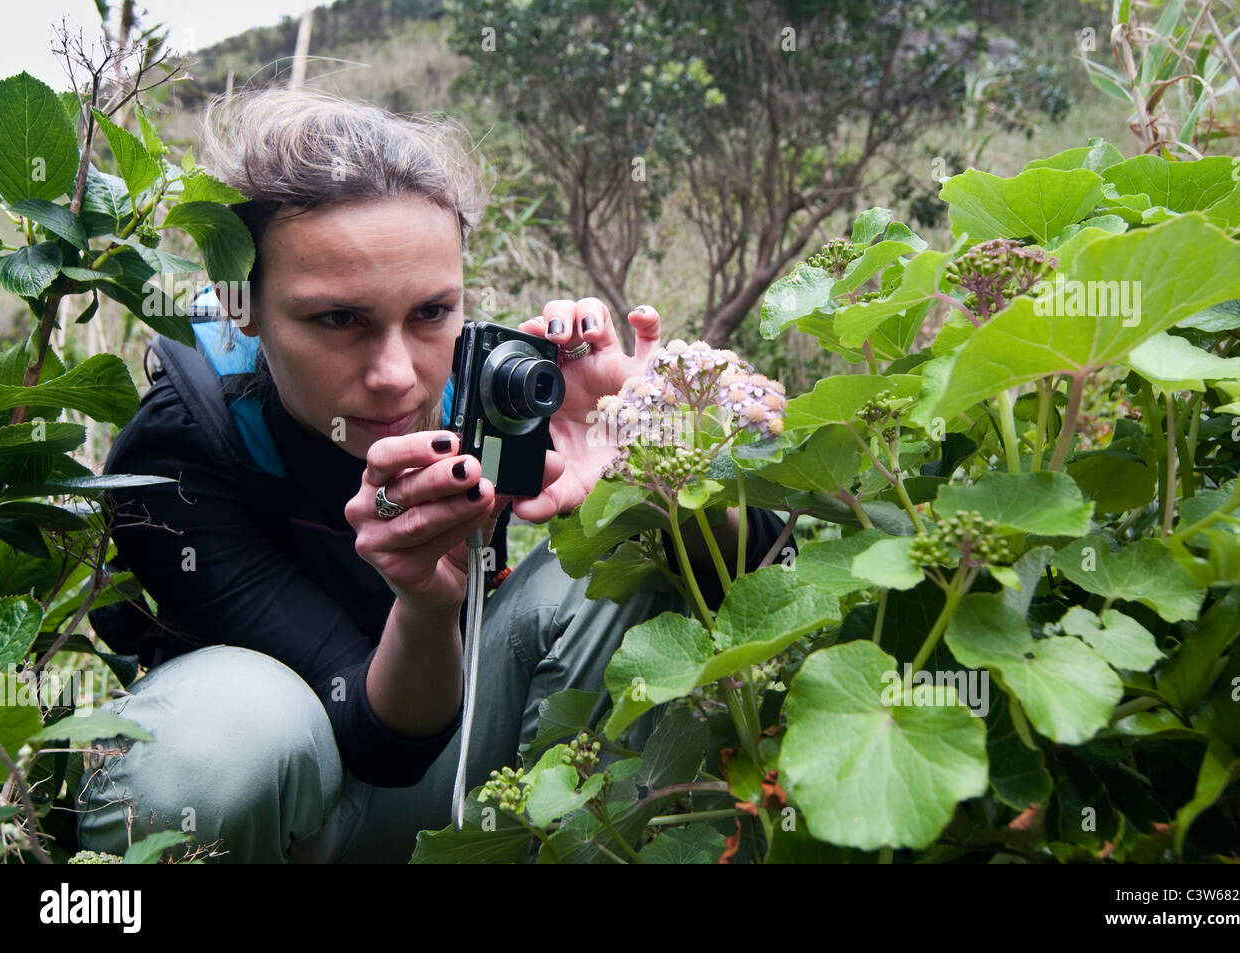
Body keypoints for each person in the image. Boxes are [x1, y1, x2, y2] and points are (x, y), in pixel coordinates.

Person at [74, 88, 790, 863]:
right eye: (337, 319)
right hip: (293, 797)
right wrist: (424, 603)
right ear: (241, 303)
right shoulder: (184, 449)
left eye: (430, 313)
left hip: (464, 782)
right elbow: (365, 737)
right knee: (227, 732)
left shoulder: (492, 391)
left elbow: (761, 565)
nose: (394, 375)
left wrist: (654, 455)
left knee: (622, 554)